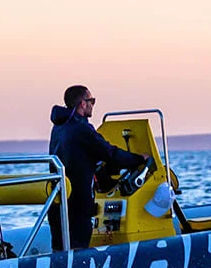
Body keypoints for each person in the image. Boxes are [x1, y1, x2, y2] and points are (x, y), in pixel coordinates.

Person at [48, 85, 147, 251]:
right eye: (91, 100)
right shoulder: (81, 128)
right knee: (79, 250)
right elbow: (110, 153)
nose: (93, 104)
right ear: (82, 104)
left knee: (60, 250)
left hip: (59, 201)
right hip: (77, 204)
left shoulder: (58, 127)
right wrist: (139, 159)